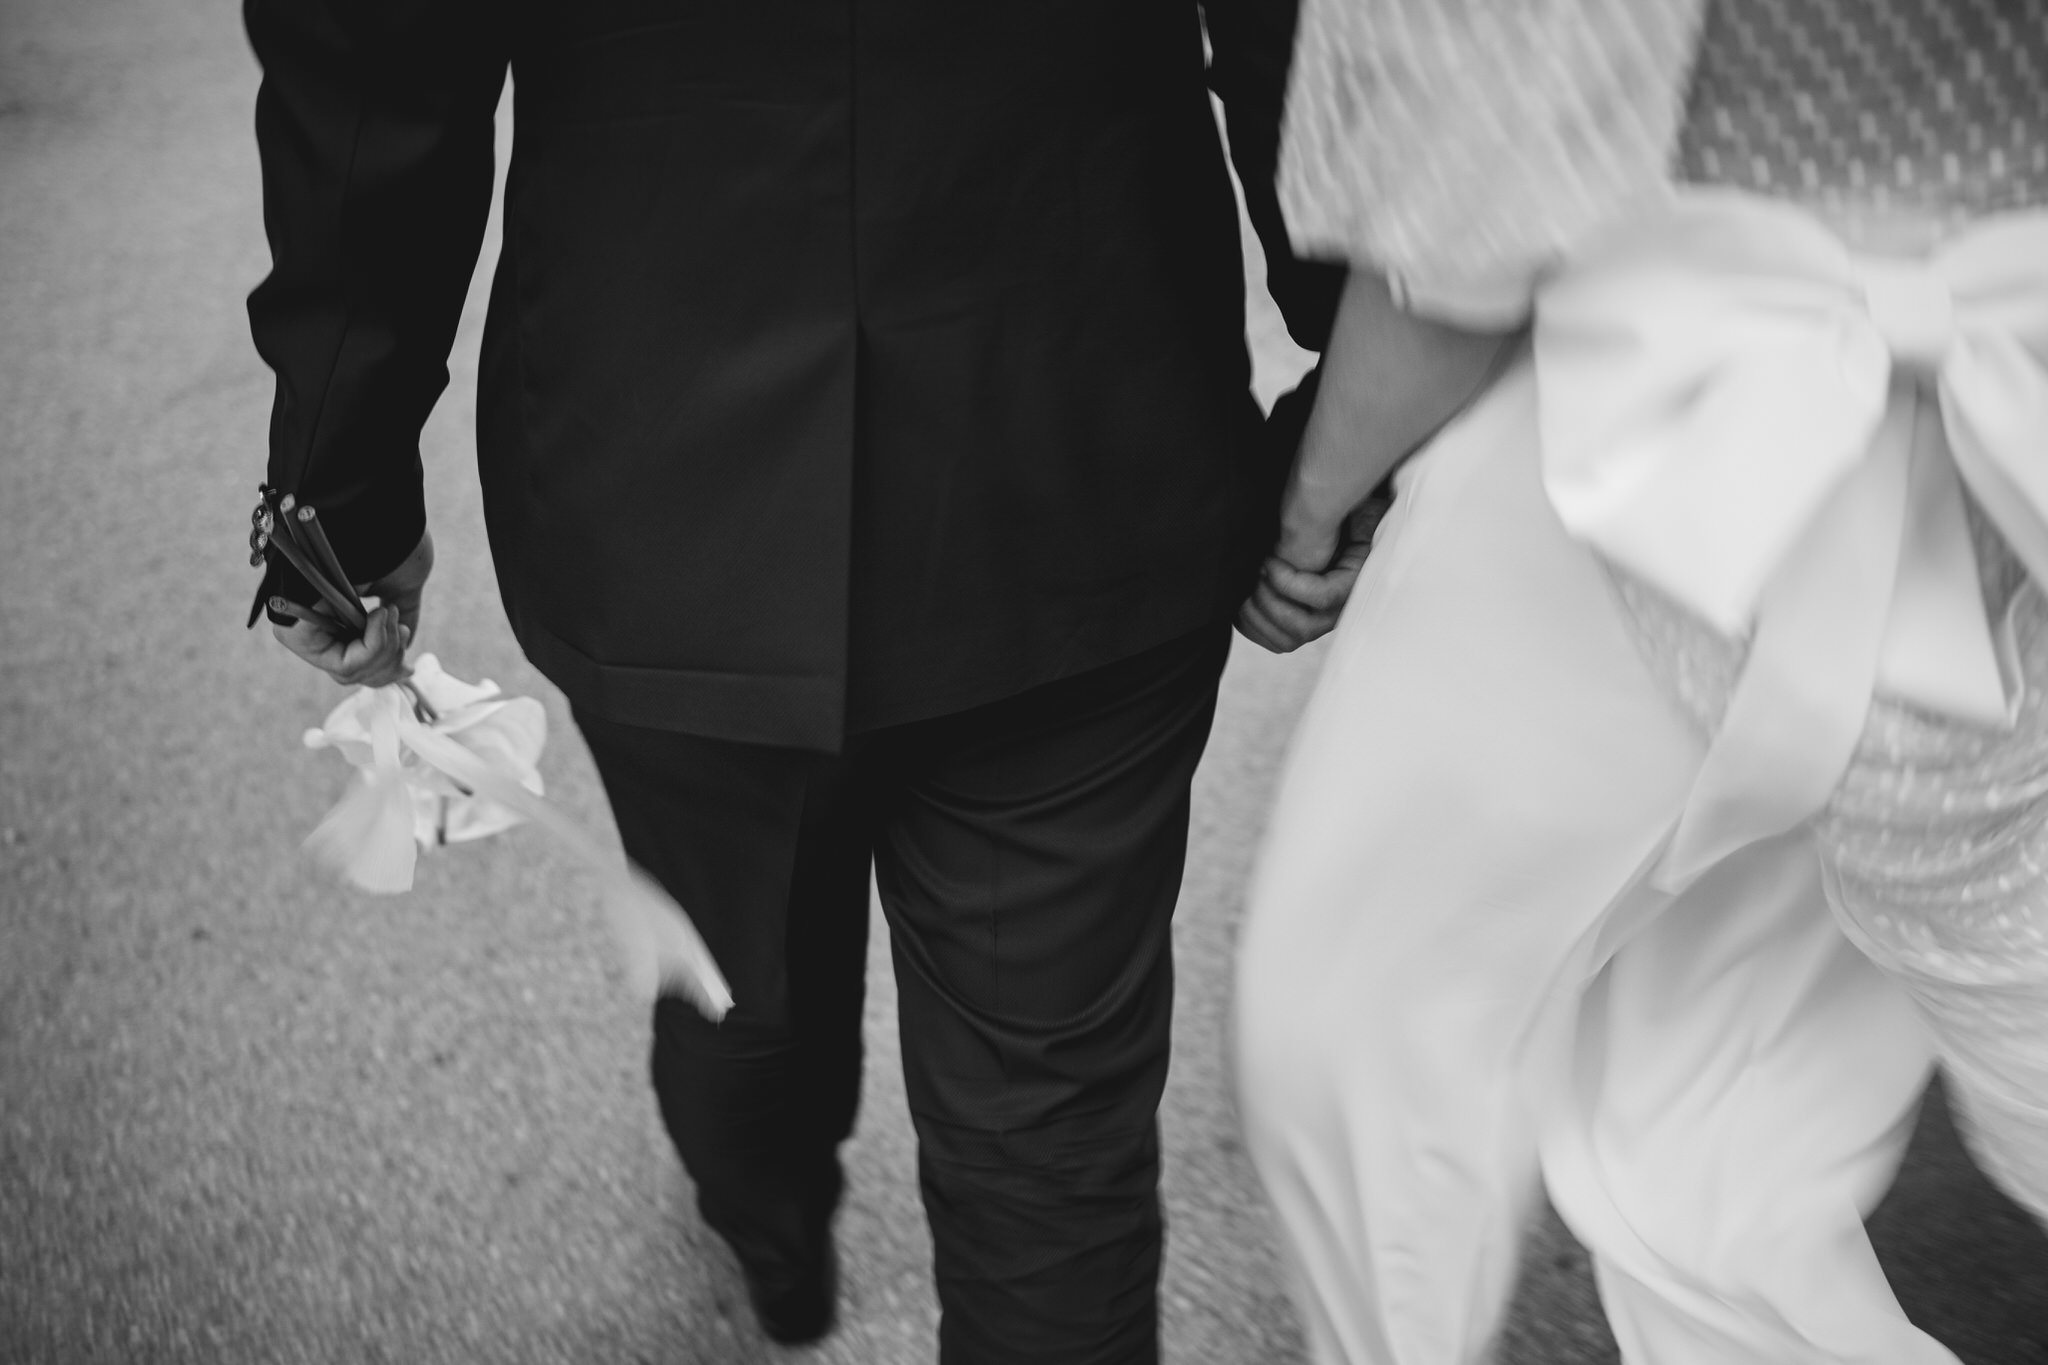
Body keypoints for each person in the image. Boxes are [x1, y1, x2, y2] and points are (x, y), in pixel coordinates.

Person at [238, 1, 1342, 1360]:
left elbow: (374, 57)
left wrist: (338, 487)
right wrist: (1351, 378)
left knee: (737, 971)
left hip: (662, 460)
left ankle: (771, 1239)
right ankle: (776, 1210)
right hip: (1075, 423)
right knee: (1049, 1128)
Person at [1233, 0, 2048, 1361]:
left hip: (1630, 465)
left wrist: (1310, 506)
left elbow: (1464, 238)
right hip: (1991, 479)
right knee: (1715, 1117)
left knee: (1356, 1017)